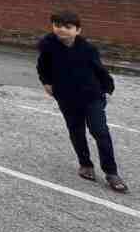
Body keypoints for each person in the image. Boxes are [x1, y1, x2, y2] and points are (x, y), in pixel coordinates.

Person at [37, 11, 127, 193]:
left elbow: (100, 70)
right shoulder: (48, 46)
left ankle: (111, 172)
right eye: (57, 25)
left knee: (100, 131)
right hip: (66, 97)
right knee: (76, 130)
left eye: (67, 26)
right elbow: (42, 66)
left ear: (77, 30)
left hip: (92, 96)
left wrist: (108, 89)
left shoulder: (87, 49)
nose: (61, 29)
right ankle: (85, 164)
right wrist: (46, 82)